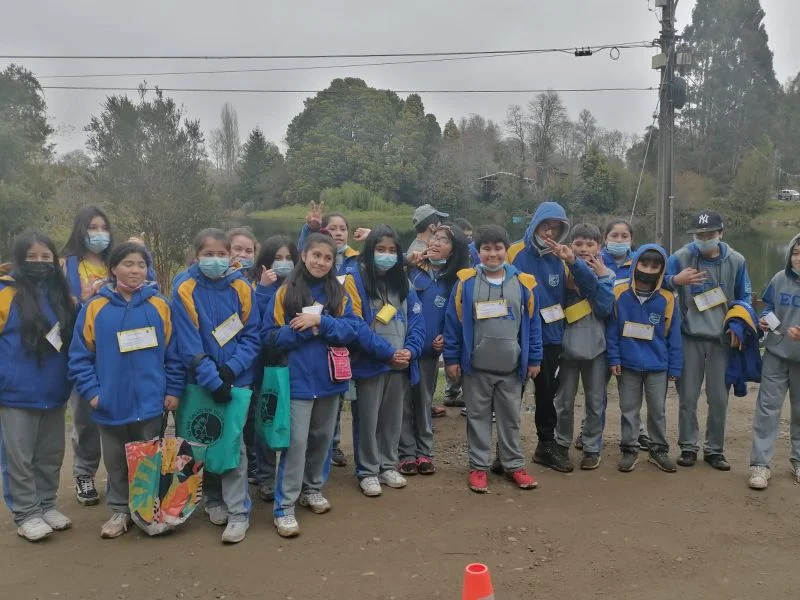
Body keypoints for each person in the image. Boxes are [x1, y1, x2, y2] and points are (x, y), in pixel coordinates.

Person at [68, 242, 184, 538]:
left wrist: (172, 389)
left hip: (150, 402)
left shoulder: (159, 305)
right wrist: (94, 393)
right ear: (113, 269)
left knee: (148, 459)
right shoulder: (95, 307)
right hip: (110, 404)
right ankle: (120, 511)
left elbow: (173, 353)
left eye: (141, 265)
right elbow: (80, 357)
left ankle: (146, 511)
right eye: (128, 264)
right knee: (116, 461)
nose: (135, 270)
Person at [264, 233, 362, 538]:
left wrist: (322, 323)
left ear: (334, 261)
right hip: (297, 382)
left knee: (322, 439)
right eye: (315, 255)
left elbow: (354, 329)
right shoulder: (285, 293)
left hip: (331, 380)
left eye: (327, 257)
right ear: (303, 256)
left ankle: (312, 489)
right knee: (296, 444)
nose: (321, 262)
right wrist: (304, 330)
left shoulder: (339, 292)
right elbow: (271, 338)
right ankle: (285, 506)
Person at [172, 229, 261, 544]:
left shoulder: (242, 287)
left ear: (231, 257)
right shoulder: (184, 287)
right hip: (199, 383)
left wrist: (231, 369)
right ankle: (212, 499)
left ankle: (239, 513)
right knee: (203, 442)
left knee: (233, 447)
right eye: (208, 254)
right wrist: (211, 377)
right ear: (196, 256)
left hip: (236, 382)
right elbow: (187, 341)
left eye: (221, 254)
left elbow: (252, 335)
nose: (215, 260)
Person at [444, 225, 542, 493]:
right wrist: (451, 359)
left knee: (510, 419)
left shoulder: (524, 282)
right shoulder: (466, 282)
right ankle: (478, 467)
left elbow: (533, 324)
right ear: (478, 251)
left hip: (511, 368)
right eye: (486, 248)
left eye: (498, 248)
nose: (493, 253)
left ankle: (514, 466)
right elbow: (453, 323)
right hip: (476, 368)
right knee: (478, 417)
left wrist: (534, 358)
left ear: (507, 250)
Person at [507, 201, 595, 472]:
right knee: (511, 395)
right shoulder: (514, 252)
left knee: (547, 395)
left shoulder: (562, 256)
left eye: (556, 228)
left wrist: (573, 261)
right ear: (535, 223)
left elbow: (588, 287)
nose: (550, 233)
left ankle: (546, 446)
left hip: (552, 336)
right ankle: (505, 451)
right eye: (546, 226)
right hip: (518, 337)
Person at [0, 232, 75, 542]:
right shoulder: (5, 293)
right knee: (19, 457)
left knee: (50, 454)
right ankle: (26, 513)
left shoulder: (61, 296)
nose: (40, 263)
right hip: (16, 393)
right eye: (32, 257)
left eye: (46, 257)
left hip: (54, 392)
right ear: (19, 258)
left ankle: (46, 504)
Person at [665, 210, 751, 471]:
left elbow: (743, 298)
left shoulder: (736, 260)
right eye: (699, 235)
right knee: (687, 395)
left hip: (721, 339)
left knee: (718, 397)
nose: (704, 239)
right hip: (689, 336)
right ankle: (688, 446)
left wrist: (738, 323)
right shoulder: (680, 257)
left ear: (721, 233)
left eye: (709, 234)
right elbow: (655, 284)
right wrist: (674, 280)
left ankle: (714, 449)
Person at [344, 226, 425, 497]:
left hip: (400, 364)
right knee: (367, 419)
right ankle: (367, 470)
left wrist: (410, 351)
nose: (387, 255)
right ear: (370, 251)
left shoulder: (403, 282)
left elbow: (416, 321)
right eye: (381, 250)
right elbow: (355, 326)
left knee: (392, 418)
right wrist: (385, 352)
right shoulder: (355, 281)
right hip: (370, 363)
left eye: (392, 251)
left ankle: (388, 464)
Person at [400, 223, 470, 475]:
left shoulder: (455, 280)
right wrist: (408, 260)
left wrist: (444, 339)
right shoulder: (411, 271)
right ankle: (406, 453)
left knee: (424, 401)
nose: (436, 242)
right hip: (404, 351)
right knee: (404, 403)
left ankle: (424, 452)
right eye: (434, 237)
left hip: (429, 354)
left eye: (444, 240)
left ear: (454, 250)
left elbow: (455, 318)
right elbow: (378, 267)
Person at [606, 245, 682, 473]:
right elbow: (612, 330)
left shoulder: (668, 297)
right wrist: (614, 358)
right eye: (644, 264)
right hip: (627, 364)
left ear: (661, 270)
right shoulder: (619, 292)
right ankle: (629, 448)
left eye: (654, 266)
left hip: (657, 365)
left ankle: (658, 450)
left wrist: (675, 367)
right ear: (635, 264)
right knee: (629, 408)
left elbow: (674, 335)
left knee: (657, 409)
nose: (648, 270)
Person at [576, 218, 649, 450]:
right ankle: (587, 430)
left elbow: (659, 285)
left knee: (631, 389)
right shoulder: (592, 260)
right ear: (604, 240)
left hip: (628, 335)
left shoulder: (640, 263)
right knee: (596, 391)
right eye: (614, 236)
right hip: (597, 331)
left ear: (631, 239)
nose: (619, 240)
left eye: (624, 236)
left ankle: (638, 431)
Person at [61, 206, 114, 507]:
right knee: (84, 416)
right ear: (80, 230)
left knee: (119, 415)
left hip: (116, 352)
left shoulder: (116, 263)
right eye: (92, 227)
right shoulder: (67, 266)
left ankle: (124, 475)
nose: (99, 234)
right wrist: (82, 301)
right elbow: (56, 312)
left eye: (103, 227)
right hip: (83, 350)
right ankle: (84, 473)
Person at [299, 209, 361, 467]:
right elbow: (303, 252)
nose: (338, 232)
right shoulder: (312, 262)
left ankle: (333, 444)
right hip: (311, 347)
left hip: (343, 336)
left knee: (335, 397)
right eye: (332, 228)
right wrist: (309, 229)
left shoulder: (356, 261)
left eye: (342, 228)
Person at [553, 224, 615, 471]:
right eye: (578, 243)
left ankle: (592, 448)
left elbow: (604, 308)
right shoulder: (561, 270)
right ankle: (561, 444)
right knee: (564, 401)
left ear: (599, 247)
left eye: (590, 244)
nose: (584, 248)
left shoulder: (606, 274)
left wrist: (601, 278)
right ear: (571, 245)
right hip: (566, 349)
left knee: (595, 401)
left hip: (597, 349)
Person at [748, 233, 800, 490]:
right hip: (776, 354)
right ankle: (760, 464)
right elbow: (767, 306)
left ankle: (798, 460)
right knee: (767, 409)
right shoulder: (780, 279)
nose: (799, 258)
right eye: (796, 253)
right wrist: (766, 320)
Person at [251, 235, 299, 503]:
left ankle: (290, 476)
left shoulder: (300, 286)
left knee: (293, 423)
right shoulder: (256, 288)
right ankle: (266, 476)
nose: (283, 264)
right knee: (267, 420)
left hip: (294, 365)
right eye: (277, 259)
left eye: (288, 258)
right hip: (264, 366)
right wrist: (263, 289)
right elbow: (256, 325)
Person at [228, 227, 261, 483]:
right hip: (225, 368)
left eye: (248, 251)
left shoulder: (256, 282)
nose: (242, 254)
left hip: (251, 364)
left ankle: (252, 465)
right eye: (236, 249)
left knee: (250, 418)